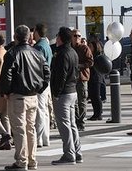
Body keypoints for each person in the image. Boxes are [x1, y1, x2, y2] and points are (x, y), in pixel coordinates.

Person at [0, 25, 50, 171]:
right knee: (30, 129)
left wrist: (5, 91)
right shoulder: (37, 53)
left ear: (15, 36)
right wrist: (39, 88)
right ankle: (32, 160)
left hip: (18, 96)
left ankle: (21, 161)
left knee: (19, 129)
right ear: (29, 37)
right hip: (33, 96)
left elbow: (6, 75)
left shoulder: (12, 53)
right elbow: (47, 73)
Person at [50, 27, 81, 166]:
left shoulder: (62, 53)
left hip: (64, 93)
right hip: (73, 91)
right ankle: (77, 151)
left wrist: (56, 92)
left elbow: (60, 75)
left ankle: (69, 155)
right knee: (72, 124)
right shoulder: (73, 52)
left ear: (61, 38)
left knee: (64, 125)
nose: (56, 39)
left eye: (57, 36)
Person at [32, 24, 52, 147]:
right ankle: (45, 138)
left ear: (37, 32)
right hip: (46, 82)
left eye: (34, 31)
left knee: (39, 111)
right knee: (44, 111)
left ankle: (38, 138)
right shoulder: (47, 46)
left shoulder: (38, 47)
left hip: (39, 82)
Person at [70, 29, 93, 131]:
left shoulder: (84, 48)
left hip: (82, 77)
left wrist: (80, 66)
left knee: (82, 101)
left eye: (79, 36)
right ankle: (75, 120)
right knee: (73, 101)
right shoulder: (70, 48)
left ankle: (81, 122)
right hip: (72, 78)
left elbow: (90, 62)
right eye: (75, 36)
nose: (77, 38)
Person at [85, 35, 104, 121]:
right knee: (93, 96)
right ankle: (96, 113)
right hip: (92, 77)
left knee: (96, 96)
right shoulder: (91, 56)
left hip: (96, 78)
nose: (89, 48)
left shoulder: (97, 57)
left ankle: (98, 113)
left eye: (91, 46)